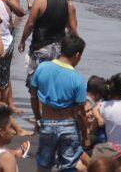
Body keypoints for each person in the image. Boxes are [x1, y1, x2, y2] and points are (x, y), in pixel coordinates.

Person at [30, 34, 89, 171]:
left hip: (47, 123)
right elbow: (80, 113)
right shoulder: (78, 80)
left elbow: (33, 96)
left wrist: (38, 119)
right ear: (77, 54)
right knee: (68, 166)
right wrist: (85, 136)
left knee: (44, 165)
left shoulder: (42, 68)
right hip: (68, 126)